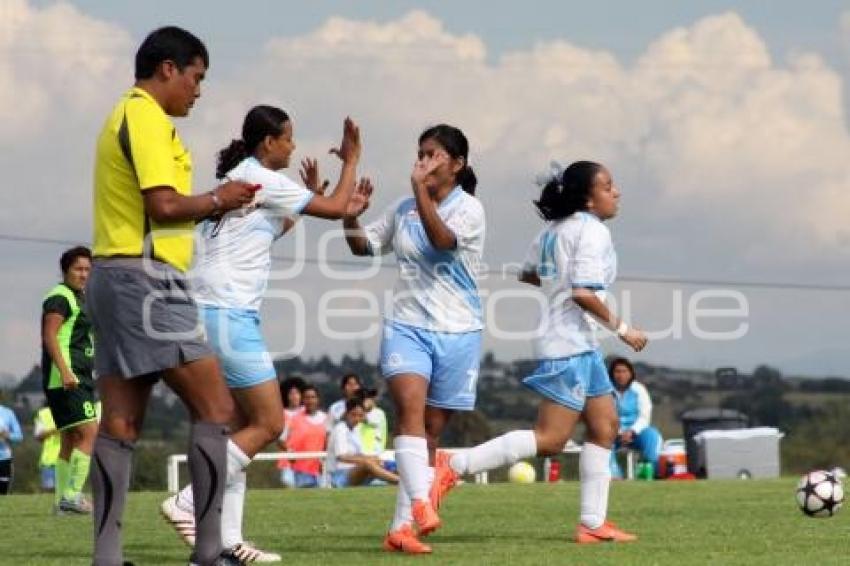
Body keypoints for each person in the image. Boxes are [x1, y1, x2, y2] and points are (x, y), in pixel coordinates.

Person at [161, 104, 362, 562]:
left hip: (206, 313)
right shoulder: (263, 177)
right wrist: (350, 159)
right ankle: (188, 501)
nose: (293, 145)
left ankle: (229, 541)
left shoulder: (248, 179)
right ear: (268, 143)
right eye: (288, 138)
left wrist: (307, 195)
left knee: (237, 427)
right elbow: (335, 210)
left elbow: (273, 227)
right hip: (229, 315)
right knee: (270, 423)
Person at [87, 26, 258, 566]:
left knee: (120, 424)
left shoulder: (124, 114)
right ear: (168, 69)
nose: (198, 90)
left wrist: (216, 203)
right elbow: (162, 205)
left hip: (113, 276)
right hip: (147, 280)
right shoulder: (145, 116)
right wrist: (218, 197)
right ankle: (210, 552)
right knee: (217, 408)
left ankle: (107, 558)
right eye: (196, 77)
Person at [437, 160, 649, 545]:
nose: (616, 192)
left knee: (605, 427)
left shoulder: (554, 230)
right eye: (607, 186)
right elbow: (582, 293)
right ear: (587, 199)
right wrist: (624, 330)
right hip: (567, 344)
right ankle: (455, 464)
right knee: (551, 439)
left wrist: (556, 282)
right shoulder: (592, 232)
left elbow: (527, 273)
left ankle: (592, 523)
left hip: (579, 343)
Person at [341, 124, 485, 554]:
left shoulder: (470, 209)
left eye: (434, 155)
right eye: (421, 152)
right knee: (409, 411)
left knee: (431, 432)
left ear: (457, 165)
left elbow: (442, 242)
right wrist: (350, 216)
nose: (423, 161)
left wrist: (419, 192)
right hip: (407, 326)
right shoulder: (403, 207)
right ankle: (422, 503)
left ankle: (400, 529)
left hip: (459, 331)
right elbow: (362, 247)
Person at [41, 246, 99, 514]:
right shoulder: (60, 297)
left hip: (78, 376)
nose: (84, 274)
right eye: (78, 269)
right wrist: (65, 371)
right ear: (65, 271)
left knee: (69, 439)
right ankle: (73, 496)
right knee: (90, 432)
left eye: (88, 269)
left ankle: (61, 503)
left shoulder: (80, 298)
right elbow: (50, 336)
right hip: (67, 378)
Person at [326, 397, 400, 488]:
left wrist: (374, 459)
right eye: (353, 415)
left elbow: (360, 454)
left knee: (385, 463)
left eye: (360, 415)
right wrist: (367, 460)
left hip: (355, 471)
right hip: (339, 475)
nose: (357, 419)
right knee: (368, 464)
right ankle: (399, 481)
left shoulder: (356, 429)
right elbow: (342, 457)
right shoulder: (340, 429)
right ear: (346, 414)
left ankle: (405, 480)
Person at [609, 357, 662, 479]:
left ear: (631, 373)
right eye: (617, 371)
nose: (621, 375)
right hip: (612, 432)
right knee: (603, 442)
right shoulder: (606, 391)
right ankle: (615, 476)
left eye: (624, 371)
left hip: (636, 431)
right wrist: (619, 432)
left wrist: (632, 431)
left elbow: (645, 416)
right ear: (612, 374)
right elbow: (602, 416)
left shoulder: (638, 389)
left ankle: (649, 473)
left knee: (652, 437)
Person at [278, 385, 328, 488]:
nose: (310, 400)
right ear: (303, 400)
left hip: (321, 469)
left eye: (313, 397)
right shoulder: (293, 419)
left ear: (318, 399)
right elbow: (281, 440)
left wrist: (325, 460)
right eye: (307, 397)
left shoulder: (325, 418)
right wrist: (289, 452)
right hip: (300, 469)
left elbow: (328, 442)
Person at [276, 376, 306, 488]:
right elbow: (279, 438)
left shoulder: (306, 412)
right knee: (289, 484)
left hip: (307, 460)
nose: (294, 397)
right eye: (291, 394)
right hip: (287, 461)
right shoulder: (281, 414)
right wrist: (289, 451)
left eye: (297, 393)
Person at [33, 403, 61, 493]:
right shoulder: (43, 414)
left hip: (69, 460)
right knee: (49, 493)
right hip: (49, 461)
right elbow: (38, 436)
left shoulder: (74, 412)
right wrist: (52, 431)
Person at [0, 401, 22, 495]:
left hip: (4, 459)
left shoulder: (8, 413)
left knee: (3, 494)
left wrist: (7, 435)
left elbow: (19, 436)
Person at [360, 388, 388, 456]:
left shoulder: (378, 413)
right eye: (364, 398)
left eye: (368, 398)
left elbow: (366, 420)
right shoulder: (361, 412)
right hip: (362, 450)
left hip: (374, 451)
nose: (366, 401)